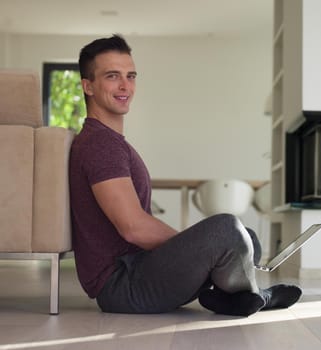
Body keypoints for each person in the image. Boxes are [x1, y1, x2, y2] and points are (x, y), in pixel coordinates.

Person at [69, 34, 302, 316]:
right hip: (123, 285)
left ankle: (232, 298)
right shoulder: (100, 144)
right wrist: (197, 248)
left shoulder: (110, 141)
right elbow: (133, 227)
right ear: (88, 86)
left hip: (138, 271)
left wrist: (198, 250)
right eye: (112, 76)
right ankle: (254, 295)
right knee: (225, 230)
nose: (125, 86)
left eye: (130, 76)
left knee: (245, 237)